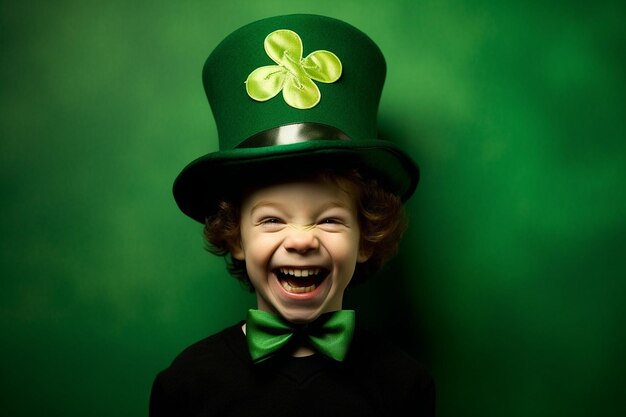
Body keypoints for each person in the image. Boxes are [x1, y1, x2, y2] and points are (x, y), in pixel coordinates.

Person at [150, 13, 435, 417]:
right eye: (272, 220)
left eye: (330, 219)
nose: (301, 240)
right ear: (234, 236)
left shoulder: (405, 386)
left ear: (367, 236)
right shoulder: (186, 386)